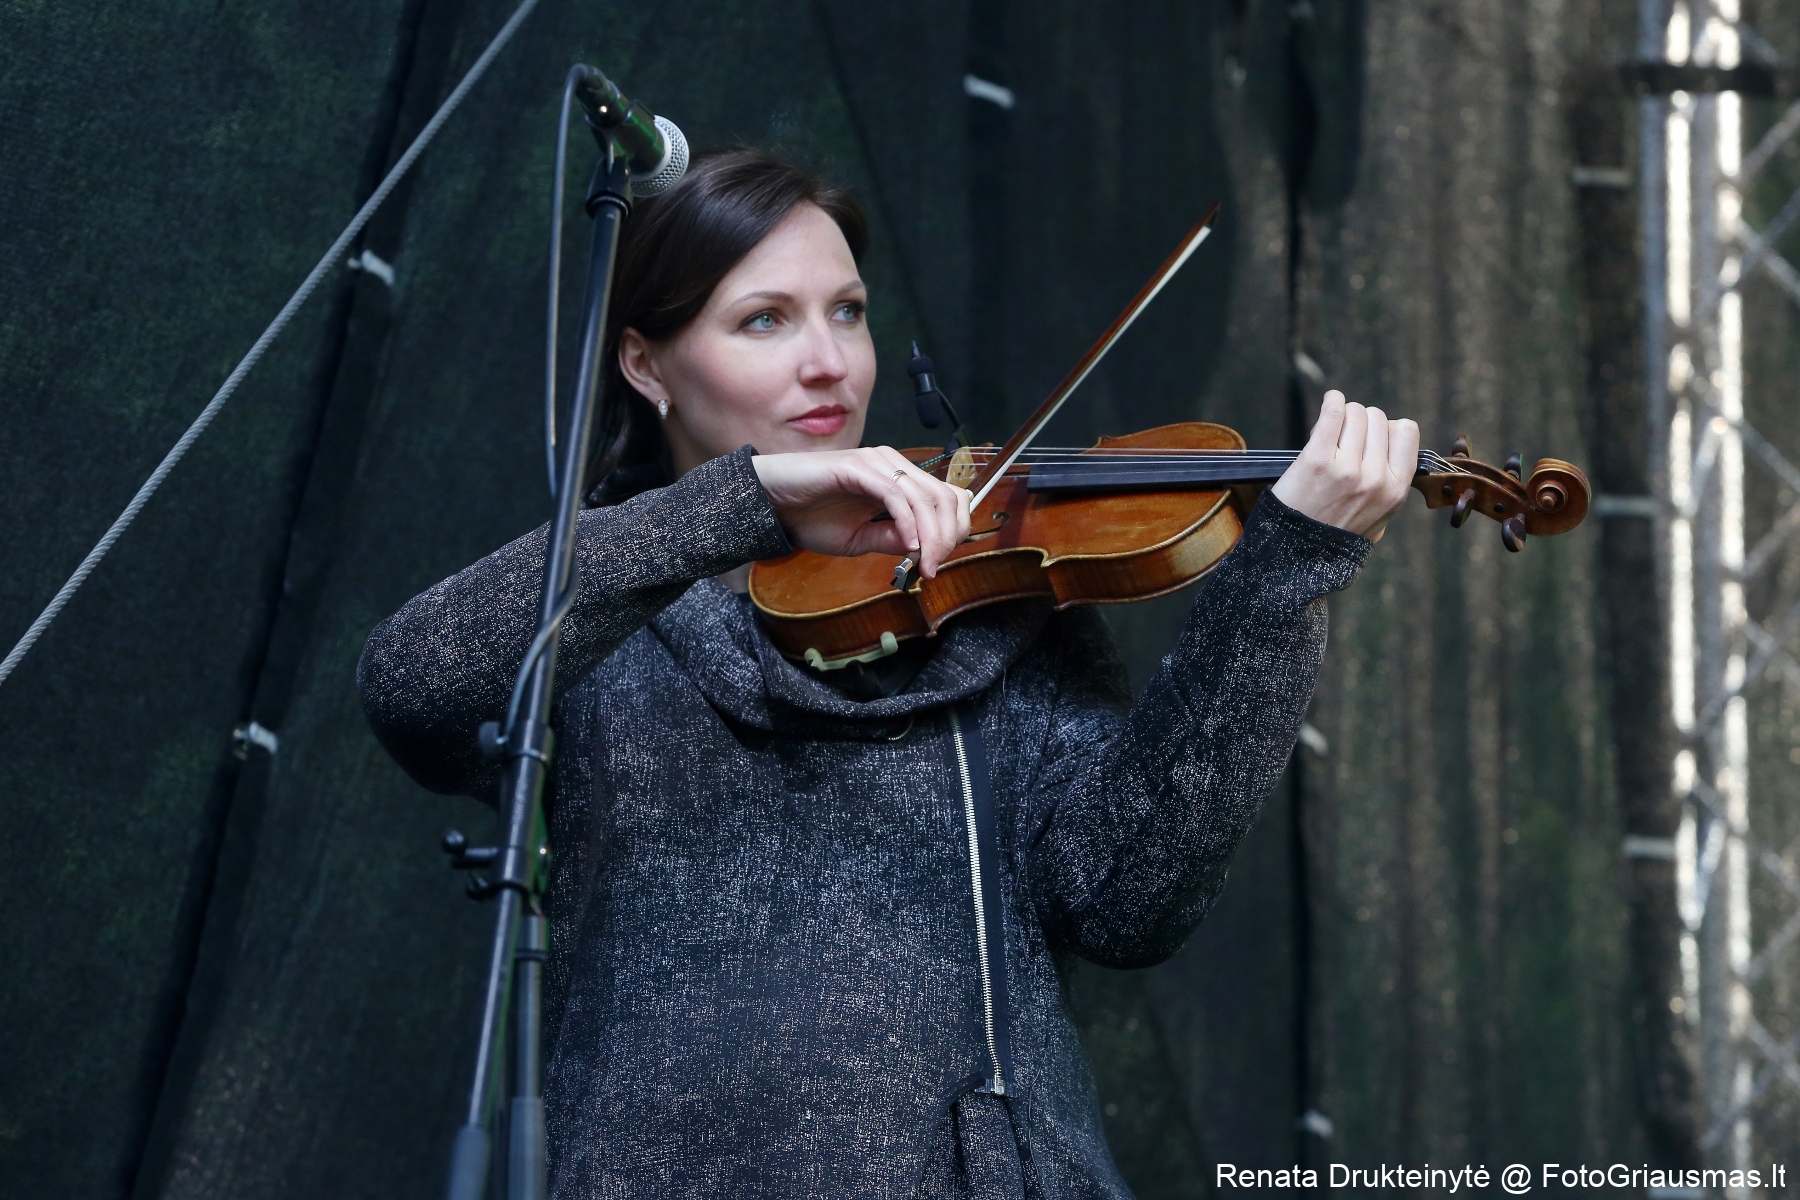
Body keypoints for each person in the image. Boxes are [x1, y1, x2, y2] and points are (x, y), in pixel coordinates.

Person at [357, 149, 1417, 1199]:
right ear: (646, 363)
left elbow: (1126, 898)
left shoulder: (983, 587)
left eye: (849, 312)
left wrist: (1277, 584)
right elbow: (416, 686)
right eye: (764, 320)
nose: (831, 363)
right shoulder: (583, 612)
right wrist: (743, 504)